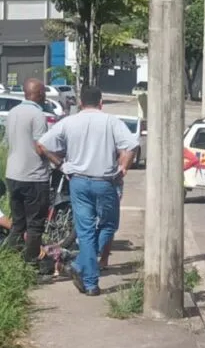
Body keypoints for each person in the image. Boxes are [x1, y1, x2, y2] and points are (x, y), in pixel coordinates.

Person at [38, 86, 138, 296]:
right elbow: (131, 145)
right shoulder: (111, 121)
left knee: (85, 231)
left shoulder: (69, 122)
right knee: (109, 225)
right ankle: (86, 276)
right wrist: (124, 168)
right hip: (105, 182)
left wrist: (61, 165)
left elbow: (43, 144)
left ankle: (85, 272)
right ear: (101, 103)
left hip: (79, 182)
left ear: (81, 103)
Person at [4, 78, 51, 270]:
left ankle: (7, 260)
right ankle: (30, 265)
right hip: (33, 177)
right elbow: (41, 147)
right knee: (35, 225)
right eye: (43, 92)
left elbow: (8, 141)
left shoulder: (13, 112)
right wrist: (56, 159)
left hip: (12, 174)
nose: (45, 95)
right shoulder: (37, 115)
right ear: (38, 93)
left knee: (18, 223)